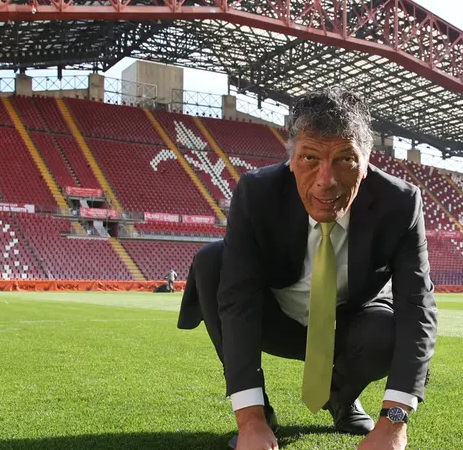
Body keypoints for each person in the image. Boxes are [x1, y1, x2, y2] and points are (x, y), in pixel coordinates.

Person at [178, 86, 437, 450]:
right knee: (211, 263)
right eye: (310, 158)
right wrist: (248, 419)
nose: (325, 181)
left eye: (345, 159)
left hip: (351, 325)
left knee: (387, 332)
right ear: (291, 159)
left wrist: (394, 423)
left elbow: (418, 309)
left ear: (366, 163)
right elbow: (237, 300)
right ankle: (261, 415)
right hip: (277, 319)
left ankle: (341, 398)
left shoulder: (401, 203)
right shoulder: (256, 192)